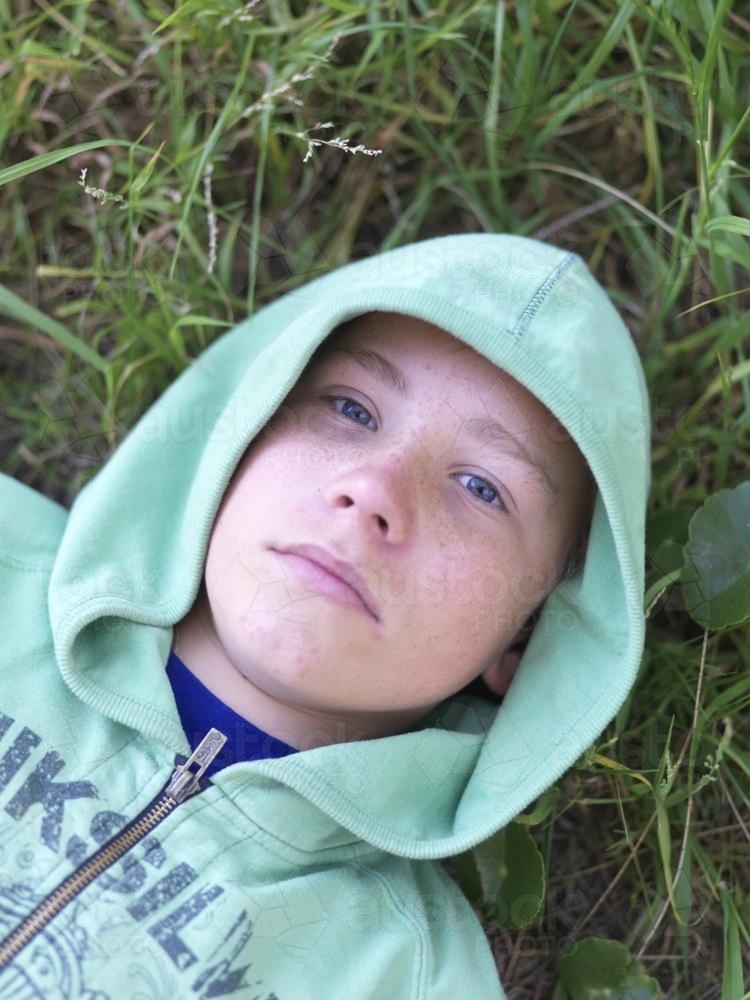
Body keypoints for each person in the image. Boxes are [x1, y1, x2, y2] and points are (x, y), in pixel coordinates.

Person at [0, 233, 650, 999]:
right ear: (241, 426)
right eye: (350, 408)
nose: (374, 487)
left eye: (481, 487)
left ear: (528, 637)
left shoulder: (404, 977)